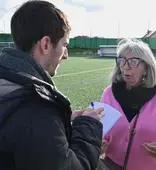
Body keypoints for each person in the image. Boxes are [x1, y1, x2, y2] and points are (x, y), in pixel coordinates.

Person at [0, 1, 104, 170]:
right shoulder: (36, 108)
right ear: (46, 44)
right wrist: (88, 126)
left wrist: (61, 122)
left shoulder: (9, 82)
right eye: (65, 45)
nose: (66, 55)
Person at [98, 38, 156, 170]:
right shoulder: (108, 94)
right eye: (122, 61)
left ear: (146, 67)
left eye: (133, 61)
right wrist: (97, 143)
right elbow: (101, 131)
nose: (125, 66)